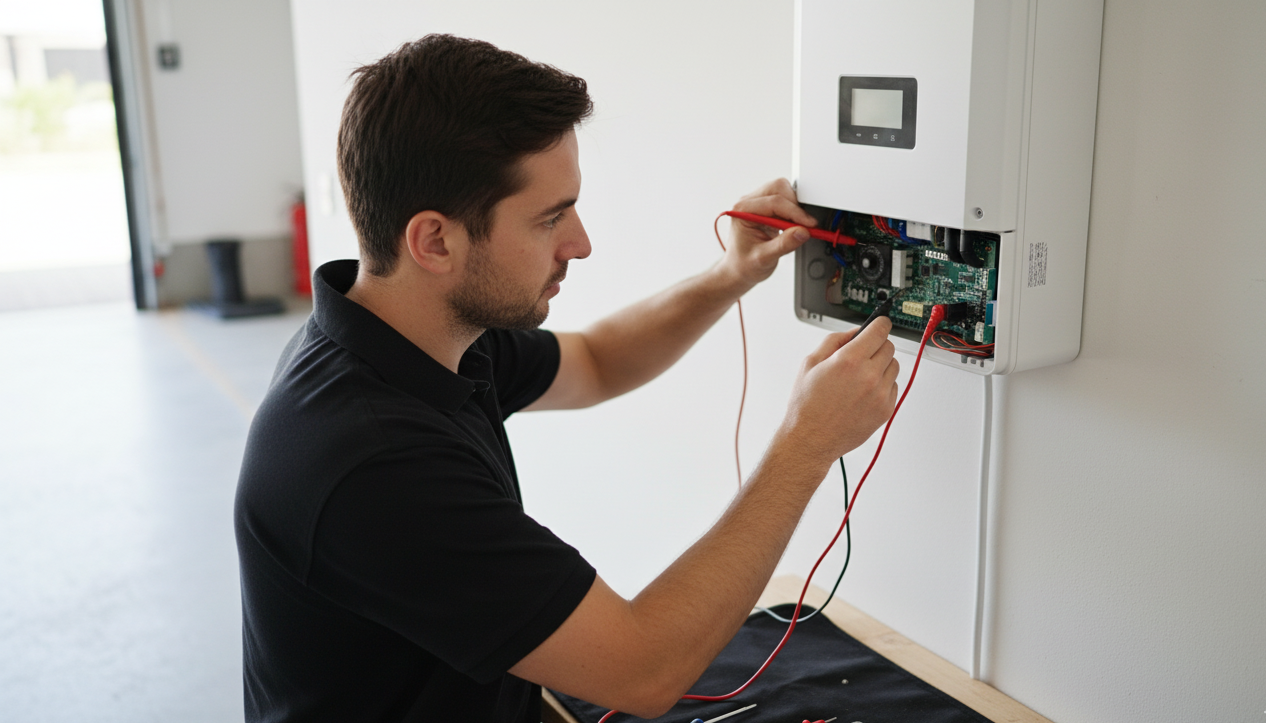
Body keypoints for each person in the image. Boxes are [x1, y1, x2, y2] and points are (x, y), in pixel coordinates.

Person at [235, 34, 899, 723]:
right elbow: (644, 671)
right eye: (550, 218)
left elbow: (596, 361)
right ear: (434, 241)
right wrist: (806, 443)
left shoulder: (413, 331)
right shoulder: (376, 462)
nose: (580, 243)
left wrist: (728, 275)